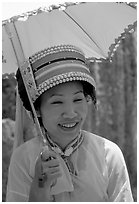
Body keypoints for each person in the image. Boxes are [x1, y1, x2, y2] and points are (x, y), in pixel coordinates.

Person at [6, 44, 133, 202]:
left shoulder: (108, 154)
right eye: (57, 102)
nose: (71, 113)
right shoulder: (24, 158)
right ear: (37, 109)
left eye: (78, 99)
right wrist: (40, 186)